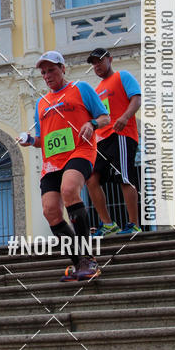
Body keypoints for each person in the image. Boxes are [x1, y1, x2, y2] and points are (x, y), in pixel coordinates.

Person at [18, 51, 109, 282]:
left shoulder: (81, 88)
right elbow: (43, 139)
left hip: (80, 151)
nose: (47, 75)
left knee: (69, 190)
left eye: (52, 70)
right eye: (43, 72)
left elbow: (105, 117)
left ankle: (88, 258)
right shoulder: (41, 103)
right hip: (52, 163)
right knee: (50, 211)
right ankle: (78, 263)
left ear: (63, 69)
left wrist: (91, 123)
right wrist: (30, 140)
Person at [85, 48, 142, 236]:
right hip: (102, 140)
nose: (97, 66)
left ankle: (133, 224)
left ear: (110, 59)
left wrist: (125, 117)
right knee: (91, 178)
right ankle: (108, 223)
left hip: (122, 134)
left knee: (124, 177)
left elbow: (136, 99)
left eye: (99, 61)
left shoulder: (122, 76)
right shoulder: (97, 90)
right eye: (93, 63)